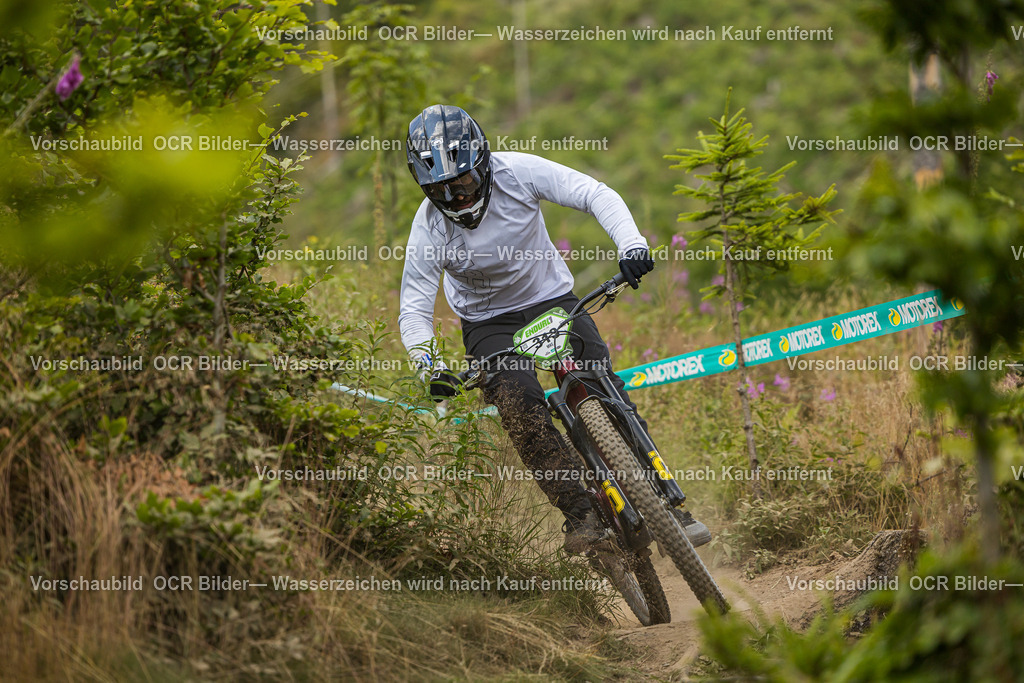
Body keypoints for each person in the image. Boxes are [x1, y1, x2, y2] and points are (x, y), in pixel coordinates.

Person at [397, 104, 710, 553]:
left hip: (551, 298)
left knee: (601, 386)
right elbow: (413, 309)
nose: (456, 197)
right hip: (488, 322)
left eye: (463, 182)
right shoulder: (428, 228)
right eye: (440, 190)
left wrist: (631, 245)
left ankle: (667, 503)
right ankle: (581, 515)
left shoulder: (519, 172)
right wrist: (429, 367)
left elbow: (594, 193)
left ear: (483, 163)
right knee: (521, 408)